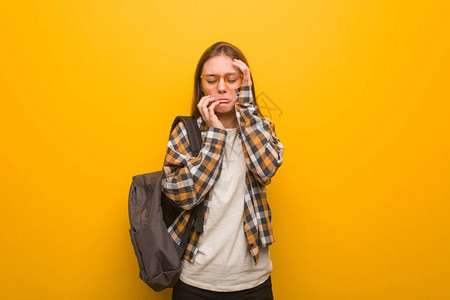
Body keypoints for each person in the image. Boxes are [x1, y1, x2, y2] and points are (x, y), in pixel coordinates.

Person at [161, 41, 284, 300]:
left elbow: (266, 169)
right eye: (212, 79)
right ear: (201, 85)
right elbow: (184, 196)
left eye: (232, 78)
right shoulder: (185, 131)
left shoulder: (260, 127)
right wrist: (215, 134)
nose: (221, 87)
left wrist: (249, 108)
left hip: (253, 281)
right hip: (196, 281)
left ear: (244, 83)